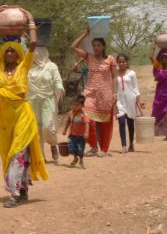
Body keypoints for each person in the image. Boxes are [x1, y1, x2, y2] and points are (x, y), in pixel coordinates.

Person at [0, 6, 48, 208]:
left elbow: (34, 42)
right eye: (7, 50)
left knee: (17, 153)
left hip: (22, 115)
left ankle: (13, 194)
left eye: (13, 50)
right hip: (4, 119)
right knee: (9, 154)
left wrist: (29, 19)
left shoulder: (24, 66)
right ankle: (23, 189)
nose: (10, 52)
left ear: (18, 53)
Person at [70, 28, 117, 156]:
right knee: (88, 119)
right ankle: (94, 146)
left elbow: (114, 77)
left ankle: (102, 148)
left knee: (103, 123)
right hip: (89, 92)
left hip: (105, 94)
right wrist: (85, 33)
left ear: (103, 47)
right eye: (94, 45)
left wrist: (115, 93)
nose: (95, 47)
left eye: (98, 45)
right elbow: (73, 46)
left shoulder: (110, 59)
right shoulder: (88, 57)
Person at [28, 47, 64, 163]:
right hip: (32, 100)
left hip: (47, 99)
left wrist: (59, 86)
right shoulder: (27, 67)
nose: (35, 55)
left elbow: (57, 79)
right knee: (36, 130)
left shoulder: (52, 66)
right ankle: (41, 156)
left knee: (47, 127)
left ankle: (53, 144)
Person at [116, 54, 142, 152]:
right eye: (120, 62)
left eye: (123, 61)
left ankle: (131, 143)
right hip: (119, 101)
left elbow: (136, 88)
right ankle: (123, 145)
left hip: (131, 100)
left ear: (126, 62)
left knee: (130, 123)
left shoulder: (132, 73)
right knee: (121, 122)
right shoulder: (115, 74)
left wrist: (139, 101)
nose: (122, 63)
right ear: (117, 63)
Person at [150, 45, 167, 141]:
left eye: (166, 57)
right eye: (162, 57)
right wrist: (153, 49)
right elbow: (151, 58)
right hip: (160, 96)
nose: (164, 59)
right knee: (161, 114)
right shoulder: (158, 67)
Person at [60, 95, 89, 169]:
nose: (75, 106)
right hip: (72, 135)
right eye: (74, 104)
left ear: (82, 105)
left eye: (77, 105)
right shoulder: (70, 113)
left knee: (80, 149)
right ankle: (75, 158)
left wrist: (86, 133)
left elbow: (87, 123)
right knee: (71, 147)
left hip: (81, 136)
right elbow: (68, 121)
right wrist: (65, 130)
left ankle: (81, 161)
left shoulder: (84, 114)